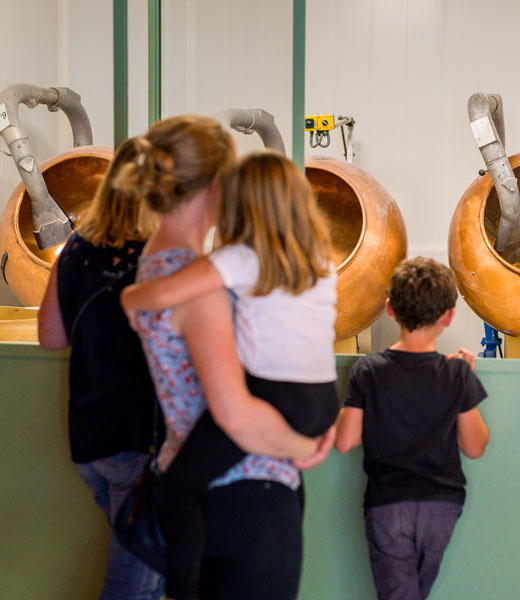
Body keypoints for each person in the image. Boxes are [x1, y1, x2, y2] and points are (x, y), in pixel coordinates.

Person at [113, 115, 331, 600]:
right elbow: (233, 412)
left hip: (210, 481)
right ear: (217, 184)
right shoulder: (195, 279)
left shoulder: (156, 265)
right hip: (247, 491)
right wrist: (304, 447)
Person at [37, 137, 164, 600]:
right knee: (135, 587)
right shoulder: (160, 258)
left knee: (145, 572)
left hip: (89, 437)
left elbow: (51, 337)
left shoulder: (74, 251)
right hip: (138, 439)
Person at [335, 257, 490, 600]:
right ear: (448, 316)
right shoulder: (457, 374)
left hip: (387, 505)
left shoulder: (368, 371)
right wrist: (465, 381)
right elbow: (476, 446)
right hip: (442, 506)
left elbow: (344, 442)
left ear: (389, 309)